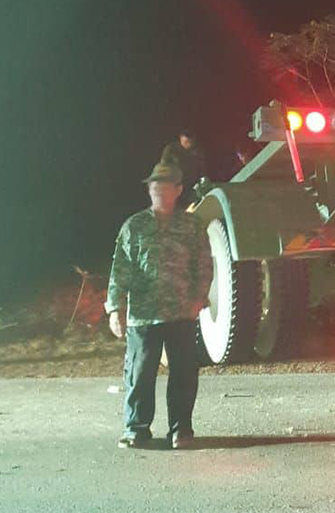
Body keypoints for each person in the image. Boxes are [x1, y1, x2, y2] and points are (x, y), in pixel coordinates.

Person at [104, 163, 212, 450]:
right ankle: (136, 429)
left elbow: (204, 265)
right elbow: (120, 269)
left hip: (181, 311)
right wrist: (115, 308)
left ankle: (181, 430)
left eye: (165, 189)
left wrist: (199, 299)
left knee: (184, 374)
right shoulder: (134, 226)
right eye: (154, 189)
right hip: (143, 314)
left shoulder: (192, 226)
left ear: (178, 190)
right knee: (139, 373)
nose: (159, 194)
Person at [160, 129, 207, 206]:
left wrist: (202, 180)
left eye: (191, 142)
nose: (189, 145)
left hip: (192, 186)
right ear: (180, 139)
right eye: (186, 142)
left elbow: (202, 169)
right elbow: (163, 166)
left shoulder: (198, 150)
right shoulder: (171, 149)